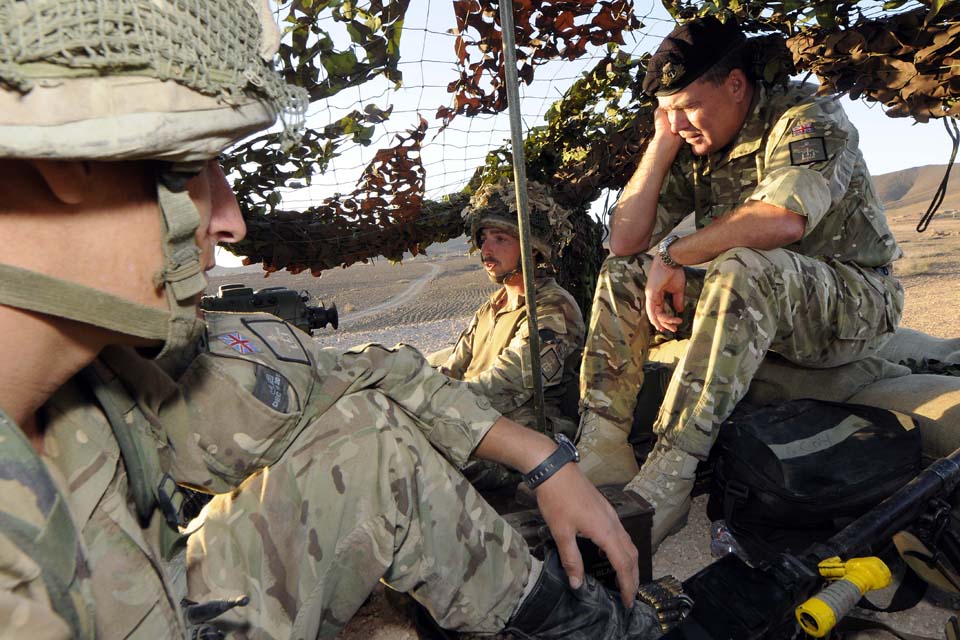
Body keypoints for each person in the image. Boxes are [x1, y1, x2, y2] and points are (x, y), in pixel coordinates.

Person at [0, 2, 662, 639]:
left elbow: (358, 380)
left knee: (372, 440)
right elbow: (433, 371)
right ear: (73, 167)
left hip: (161, 599)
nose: (230, 221)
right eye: (194, 168)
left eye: (497, 239)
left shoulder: (117, 374)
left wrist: (541, 457)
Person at [576, 17, 903, 548]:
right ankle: (604, 442)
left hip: (855, 302)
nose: (678, 121)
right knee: (624, 275)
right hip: (764, 298)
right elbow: (624, 241)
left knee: (744, 264)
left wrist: (677, 254)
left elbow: (781, 219)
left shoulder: (805, 118)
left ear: (735, 84)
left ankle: (671, 472)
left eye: (686, 105)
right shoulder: (694, 141)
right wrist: (662, 141)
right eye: (666, 109)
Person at [438, 179, 585, 488]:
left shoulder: (552, 307)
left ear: (532, 249)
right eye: (484, 239)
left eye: (500, 239)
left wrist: (438, 403)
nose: (486, 250)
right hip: (477, 421)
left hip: (522, 435)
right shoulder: (491, 308)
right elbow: (455, 367)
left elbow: (508, 383)